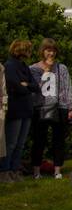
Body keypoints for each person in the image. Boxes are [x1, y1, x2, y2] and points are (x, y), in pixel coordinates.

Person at [28, 38, 72, 179]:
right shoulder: (33, 68)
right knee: (39, 139)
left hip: (60, 106)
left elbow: (67, 88)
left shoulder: (62, 68)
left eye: (54, 50)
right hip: (40, 107)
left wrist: (70, 108)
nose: (51, 53)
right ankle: (36, 170)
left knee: (58, 139)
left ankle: (57, 170)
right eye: (48, 50)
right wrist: (47, 70)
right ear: (42, 51)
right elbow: (36, 88)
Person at [3, 39, 35, 180]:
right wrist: (27, 87)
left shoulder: (24, 66)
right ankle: (5, 170)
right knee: (11, 143)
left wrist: (26, 84)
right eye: (28, 49)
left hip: (27, 109)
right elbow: (15, 85)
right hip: (15, 109)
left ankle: (15, 169)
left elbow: (35, 86)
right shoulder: (10, 66)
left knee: (20, 144)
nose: (30, 52)